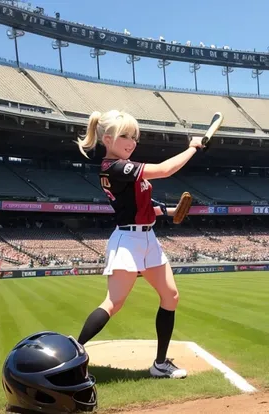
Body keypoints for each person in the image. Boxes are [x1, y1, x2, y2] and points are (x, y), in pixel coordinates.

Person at [74, 110, 205, 379]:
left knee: (170, 297)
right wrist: (192, 147)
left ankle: (160, 364)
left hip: (147, 238)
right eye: (125, 136)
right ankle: (73, 353)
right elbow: (166, 170)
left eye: (134, 137)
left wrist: (169, 212)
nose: (131, 142)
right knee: (114, 302)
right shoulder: (116, 167)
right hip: (127, 240)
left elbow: (143, 208)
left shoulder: (124, 168)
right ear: (108, 139)